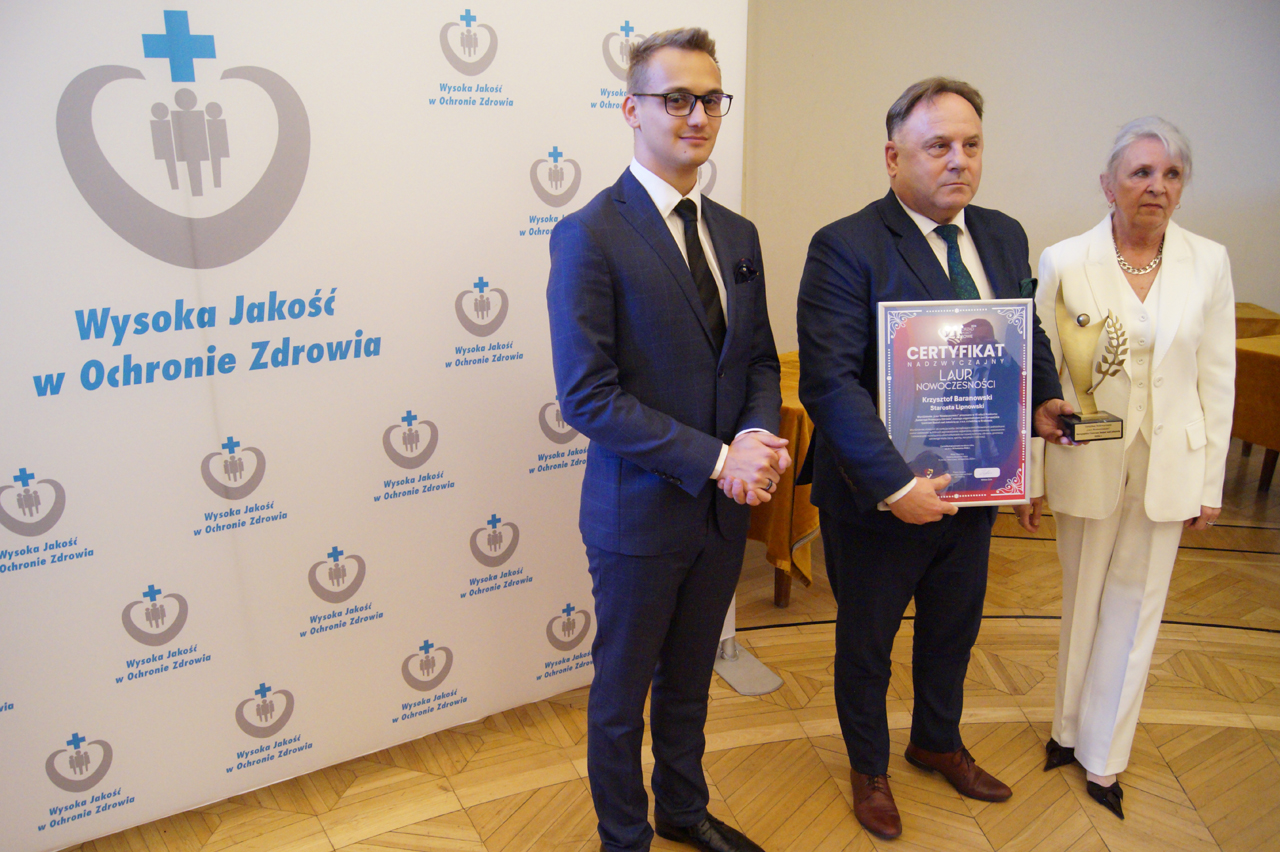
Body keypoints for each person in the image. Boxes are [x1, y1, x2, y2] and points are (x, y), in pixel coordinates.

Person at [796, 77, 1070, 840]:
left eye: (972, 145)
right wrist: (895, 485)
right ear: (894, 157)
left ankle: (937, 742)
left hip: (976, 484)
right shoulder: (845, 245)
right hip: (878, 498)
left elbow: (1023, 334)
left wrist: (1043, 401)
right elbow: (829, 382)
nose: (960, 160)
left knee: (953, 629)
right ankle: (870, 768)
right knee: (868, 645)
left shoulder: (1003, 235)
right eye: (939, 145)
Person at [547, 27, 786, 852]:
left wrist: (753, 433)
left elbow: (757, 358)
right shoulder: (591, 233)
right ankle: (626, 838)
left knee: (689, 680)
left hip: (720, 516)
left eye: (711, 99)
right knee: (621, 700)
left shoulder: (737, 234)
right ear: (632, 109)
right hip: (639, 517)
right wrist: (720, 460)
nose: (697, 115)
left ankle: (683, 810)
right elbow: (588, 396)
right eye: (676, 98)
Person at [1018, 117, 1235, 819]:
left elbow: (1217, 379)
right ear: (1108, 184)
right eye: (1141, 172)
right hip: (1085, 457)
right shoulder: (1064, 260)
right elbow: (1040, 373)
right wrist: (1031, 476)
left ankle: (1105, 757)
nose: (1156, 186)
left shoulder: (1210, 262)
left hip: (1171, 463)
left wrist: (1210, 483)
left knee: (1137, 611)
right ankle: (1066, 731)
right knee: (1083, 599)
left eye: (1171, 174)